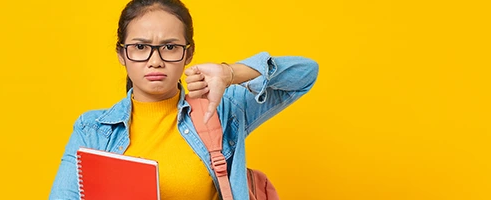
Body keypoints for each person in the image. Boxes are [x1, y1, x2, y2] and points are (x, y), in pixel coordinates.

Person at [48, 0, 319, 199]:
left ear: (188, 54)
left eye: (170, 47)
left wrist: (230, 72)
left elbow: (305, 74)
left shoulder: (220, 108)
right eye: (140, 47)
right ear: (122, 54)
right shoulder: (92, 129)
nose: (155, 61)